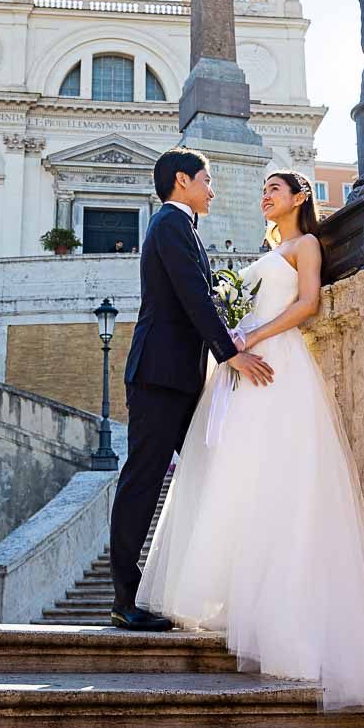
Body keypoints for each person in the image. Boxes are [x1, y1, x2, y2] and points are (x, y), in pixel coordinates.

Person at [136, 171, 364, 718]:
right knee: (237, 479)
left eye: (274, 190)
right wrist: (234, 336)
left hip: (276, 364)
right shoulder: (270, 248)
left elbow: (308, 303)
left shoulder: (307, 244)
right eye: (262, 190)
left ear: (299, 198)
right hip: (246, 365)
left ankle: (284, 621)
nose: (264, 196)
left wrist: (251, 336)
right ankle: (239, 601)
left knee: (275, 480)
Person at [109, 147, 273, 631]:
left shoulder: (182, 229)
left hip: (180, 379)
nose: (212, 189)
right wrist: (231, 353)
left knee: (208, 471)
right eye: (207, 179)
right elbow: (193, 296)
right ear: (182, 181)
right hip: (159, 377)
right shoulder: (170, 226)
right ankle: (124, 597)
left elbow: (200, 299)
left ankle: (198, 586)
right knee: (142, 483)